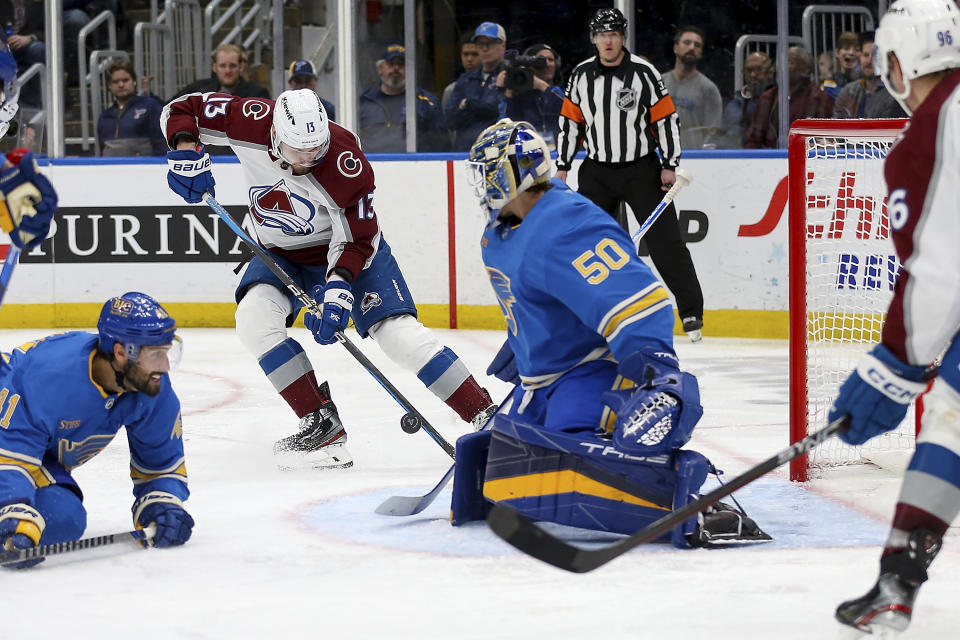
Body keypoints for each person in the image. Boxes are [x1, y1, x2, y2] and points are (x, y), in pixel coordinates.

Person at [450, 119, 770, 547]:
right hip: (541, 382)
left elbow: (642, 300)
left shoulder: (565, 224)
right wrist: (529, 339)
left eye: (488, 171)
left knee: (575, 463)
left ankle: (697, 499)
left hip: (587, 374)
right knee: (509, 460)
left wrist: (658, 373)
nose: (482, 183)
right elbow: (548, 291)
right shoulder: (502, 230)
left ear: (516, 171)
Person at [161, 89, 496, 469]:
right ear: (274, 135)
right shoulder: (249, 119)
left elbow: (358, 238)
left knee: (398, 333)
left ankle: (485, 415)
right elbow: (183, 108)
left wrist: (337, 289)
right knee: (253, 319)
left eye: (314, 150)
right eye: (296, 150)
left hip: (346, 251)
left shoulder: (345, 161)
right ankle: (321, 425)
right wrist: (186, 151)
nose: (306, 160)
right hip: (278, 251)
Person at [829, 0, 960, 633]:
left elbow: (938, 270)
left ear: (899, 64)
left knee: (950, 420)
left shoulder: (931, 134)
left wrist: (892, 369)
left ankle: (895, 584)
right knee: (951, 413)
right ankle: (895, 583)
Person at [0, 293, 195, 569]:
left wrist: (161, 504)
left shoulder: (151, 388)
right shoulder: (49, 378)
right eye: (155, 355)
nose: (164, 367)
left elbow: (161, 466)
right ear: (119, 352)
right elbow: (8, 456)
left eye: (166, 352)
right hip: (5, 442)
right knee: (20, 522)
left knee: (63, 517)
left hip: (31, 454)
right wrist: (11, 510)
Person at [556, 8, 705, 343]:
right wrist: (563, 166)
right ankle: (585, 313)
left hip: (641, 169)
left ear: (623, 37)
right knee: (586, 244)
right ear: (594, 39)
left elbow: (665, 120)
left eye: (614, 34)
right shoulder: (580, 76)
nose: (608, 41)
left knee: (666, 242)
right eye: (602, 35)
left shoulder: (644, 73)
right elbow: (570, 123)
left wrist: (669, 163)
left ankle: (691, 312)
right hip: (597, 170)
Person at [357, 44, 444, 153]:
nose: (396, 68)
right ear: (380, 68)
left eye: (401, 64)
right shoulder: (362, 101)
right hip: (370, 166)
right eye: (391, 64)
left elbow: (441, 145)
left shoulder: (427, 103)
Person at [745, 46, 833, 149]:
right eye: (781, 61)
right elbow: (754, 140)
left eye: (789, 62)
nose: (781, 66)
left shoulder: (818, 99)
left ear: (804, 71)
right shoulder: (768, 98)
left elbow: (824, 141)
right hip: (770, 160)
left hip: (805, 160)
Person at [445, 22, 508, 151]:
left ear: (503, 45)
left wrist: (467, 104)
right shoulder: (465, 79)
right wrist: (483, 110)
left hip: (499, 153)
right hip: (465, 154)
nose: (484, 49)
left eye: (490, 43)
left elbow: (500, 111)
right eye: (480, 44)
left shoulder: (509, 75)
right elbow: (451, 119)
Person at [661, 26, 723, 150]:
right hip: (659, 157)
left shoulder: (709, 89)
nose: (692, 48)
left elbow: (712, 133)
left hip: (693, 160)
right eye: (687, 43)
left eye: (697, 45)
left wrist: (701, 159)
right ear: (676, 48)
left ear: (701, 53)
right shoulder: (658, 83)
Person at [498, 44, 565, 148]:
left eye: (550, 60)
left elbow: (570, 110)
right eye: (541, 60)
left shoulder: (564, 93)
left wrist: (543, 86)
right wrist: (507, 91)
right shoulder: (518, 99)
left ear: (557, 64)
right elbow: (505, 126)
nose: (547, 64)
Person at [96, 59, 167, 156]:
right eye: (116, 82)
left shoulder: (150, 106)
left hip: (145, 169)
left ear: (134, 82)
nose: (121, 85)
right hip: (110, 170)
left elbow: (163, 144)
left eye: (125, 80)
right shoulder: (104, 116)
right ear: (109, 86)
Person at [832, 31, 906, 119]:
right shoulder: (848, 91)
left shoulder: (895, 95)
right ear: (860, 56)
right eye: (866, 55)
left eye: (875, 56)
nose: (869, 61)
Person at [174, 44, 270, 100]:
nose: (227, 71)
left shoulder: (258, 95)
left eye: (232, 65)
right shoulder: (199, 92)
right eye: (222, 66)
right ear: (214, 67)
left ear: (241, 67)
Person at [720, 51, 774, 148]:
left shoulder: (777, 102)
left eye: (758, 69)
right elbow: (721, 137)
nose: (753, 74)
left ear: (770, 73)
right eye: (749, 70)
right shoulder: (733, 104)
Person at [442, 34, 481, 113]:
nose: (469, 59)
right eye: (465, 54)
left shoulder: (493, 85)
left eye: (474, 54)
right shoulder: (451, 90)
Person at [826, 31, 862, 101]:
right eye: (846, 48)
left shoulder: (867, 83)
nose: (851, 53)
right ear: (837, 52)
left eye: (857, 50)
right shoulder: (829, 84)